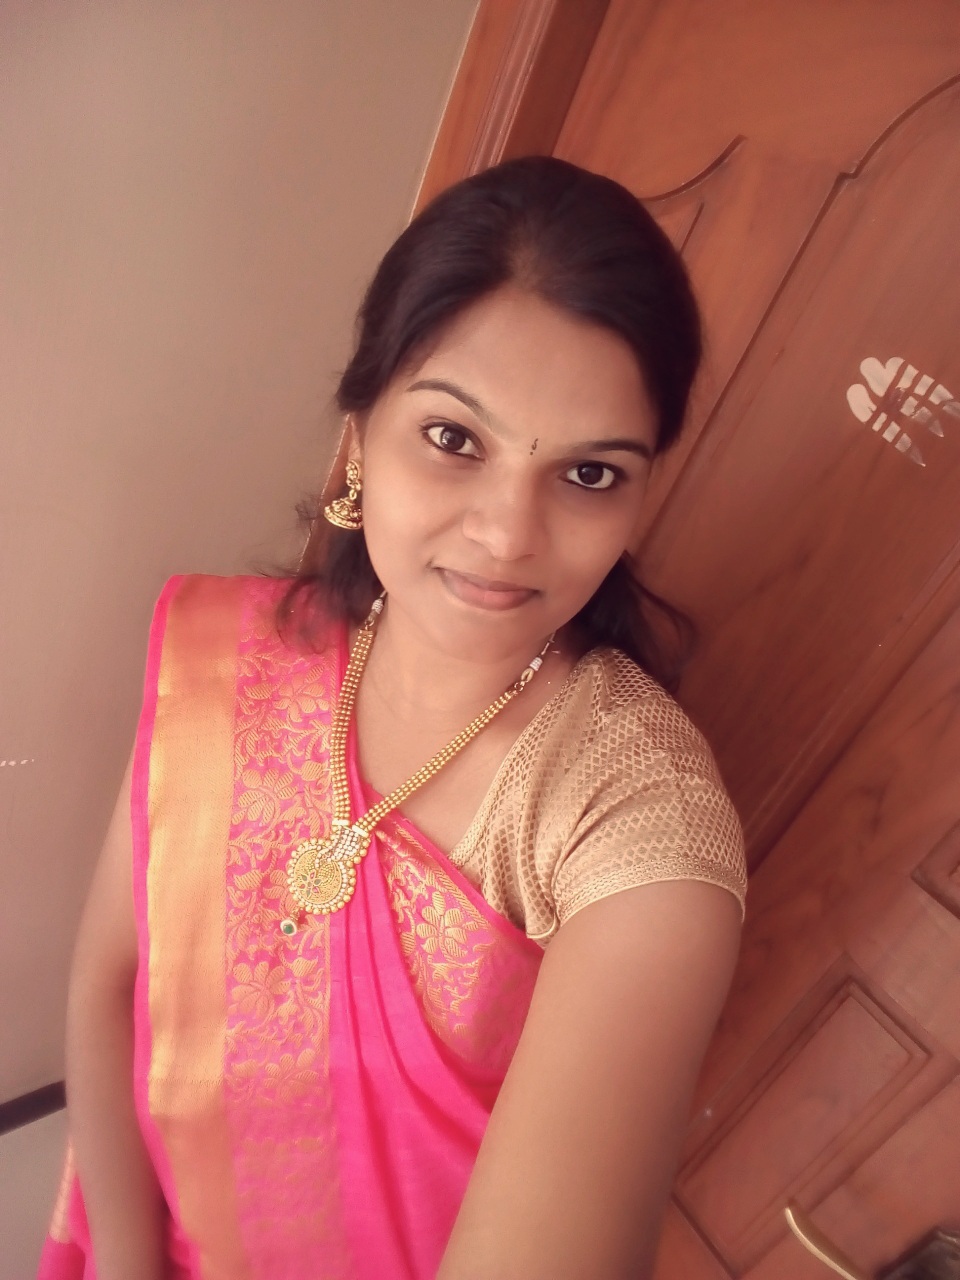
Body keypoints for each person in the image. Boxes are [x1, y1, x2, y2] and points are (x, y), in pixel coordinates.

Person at [39, 155, 747, 1280]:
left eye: (590, 474)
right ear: (362, 428)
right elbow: (108, 983)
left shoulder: (631, 817)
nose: (507, 535)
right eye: (455, 439)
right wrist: (125, 1259)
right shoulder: (238, 655)